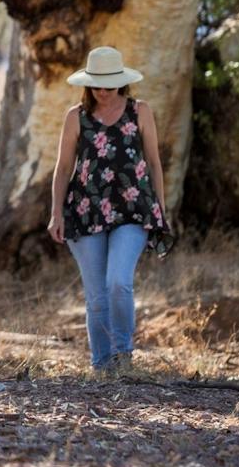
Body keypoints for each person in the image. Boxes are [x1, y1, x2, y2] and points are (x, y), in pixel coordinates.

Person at [47, 46, 173, 375]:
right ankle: (102, 368)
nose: (103, 91)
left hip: (133, 209)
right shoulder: (76, 116)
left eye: (109, 84)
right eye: (97, 85)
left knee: (118, 281)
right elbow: (62, 169)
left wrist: (161, 207)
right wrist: (55, 213)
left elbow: (154, 163)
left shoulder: (140, 111)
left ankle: (124, 355)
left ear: (122, 82)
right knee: (96, 295)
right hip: (85, 210)